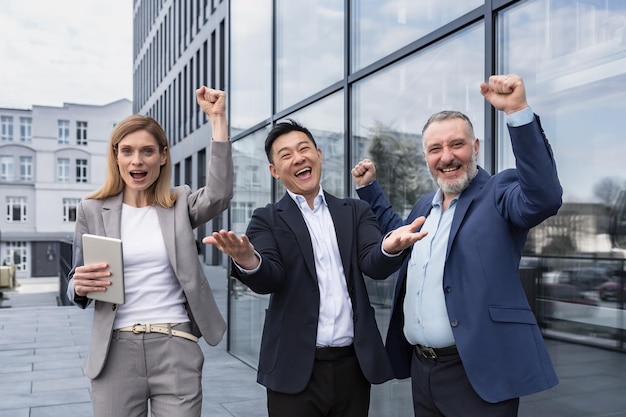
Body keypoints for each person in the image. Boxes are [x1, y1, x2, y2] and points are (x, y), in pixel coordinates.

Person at [351, 74, 562, 417]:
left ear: (475, 147)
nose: (446, 157)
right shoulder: (424, 206)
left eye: (456, 145)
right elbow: (396, 232)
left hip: (478, 372)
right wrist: (369, 189)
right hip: (423, 371)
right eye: (435, 149)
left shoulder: (498, 192)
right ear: (426, 157)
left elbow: (543, 198)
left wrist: (518, 113)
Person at [203, 119, 427, 417]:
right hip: (294, 369)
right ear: (274, 171)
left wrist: (390, 246)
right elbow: (269, 276)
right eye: (285, 155)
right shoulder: (267, 218)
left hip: (352, 367)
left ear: (318, 154)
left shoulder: (354, 210)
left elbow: (373, 263)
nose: (298, 158)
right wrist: (247, 260)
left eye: (304, 148)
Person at [66, 86, 233, 417]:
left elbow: (219, 193)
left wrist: (217, 120)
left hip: (175, 344)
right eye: (127, 151)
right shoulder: (92, 209)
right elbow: (76, 278)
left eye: (147, 151)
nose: (137, 160)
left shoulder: (180, 203)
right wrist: (78, 286)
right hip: (114, 350)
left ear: (163, 156)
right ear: (116, 156)